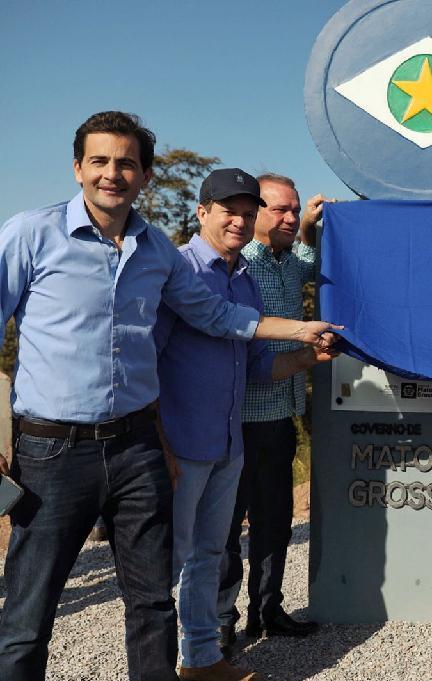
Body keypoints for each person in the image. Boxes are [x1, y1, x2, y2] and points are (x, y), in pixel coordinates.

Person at [0, 111, 337, 681]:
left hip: (134, 449)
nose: (114, 174)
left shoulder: (156, 252)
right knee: (30, 610)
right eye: (101, 161)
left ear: (146, 174)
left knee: (152, 601)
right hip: (54, 451)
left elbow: (216, 315)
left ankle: (198, 660)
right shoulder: (30, 233)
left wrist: (301, 334)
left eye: (127, 163)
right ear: (78, 168)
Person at [156, 169, 338, 681]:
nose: (241, 221)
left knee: (227, 544)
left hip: (238, 435)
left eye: (247, 211)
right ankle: (178, 652)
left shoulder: (247, 277)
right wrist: (158, 441)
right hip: (190, 440)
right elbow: (150, 360)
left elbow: (256, 363)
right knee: (180, 557)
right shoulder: (183, 271)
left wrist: (306, 359)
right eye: (229, 211)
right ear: (202, 212)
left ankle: (209, 653)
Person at [217, 173, 327, 648]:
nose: (287, 217)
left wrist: (308, 225)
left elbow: (316, 258)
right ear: (254, 213)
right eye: (278, 209)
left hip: (281, 415)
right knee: (225, 527)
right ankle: (222, 621)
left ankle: (268, 609)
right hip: (240, 419)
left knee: (275, 520)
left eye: (293, 208)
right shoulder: (239, 267)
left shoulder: (290, 261)